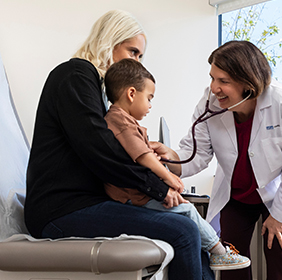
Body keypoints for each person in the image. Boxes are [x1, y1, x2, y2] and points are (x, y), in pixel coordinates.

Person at [24, 10, 215, 280]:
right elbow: (101, 151)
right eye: (133, 52)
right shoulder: (76, 75)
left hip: (85, 204)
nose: (136, 62)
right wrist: (158, 187)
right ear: (109, 42)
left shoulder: (99, 94)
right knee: (184, 230)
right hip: (60, 210)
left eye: (140, 56)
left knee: (186, 223)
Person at [151, 40, 282, 280]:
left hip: (278, 192)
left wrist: (279, 217)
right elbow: (195, 155)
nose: (214, 88)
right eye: (212, 78)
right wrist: (167, 159)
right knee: (230, 259)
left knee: (280, 255)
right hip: (236, 194)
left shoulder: (280, 101)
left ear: (247, 84)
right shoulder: (209, 102)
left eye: (223, 81)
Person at [103, 58, 251, 271]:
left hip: (137, 195)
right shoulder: (120, 121)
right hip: (134, 199)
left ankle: (216, 252)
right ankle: (218, 251)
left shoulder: (123, 121)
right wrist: (168, 177)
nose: (150, 105)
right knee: (188, 211)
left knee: (188, 215)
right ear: (132, 94)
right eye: (149, 98)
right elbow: (143, 156)